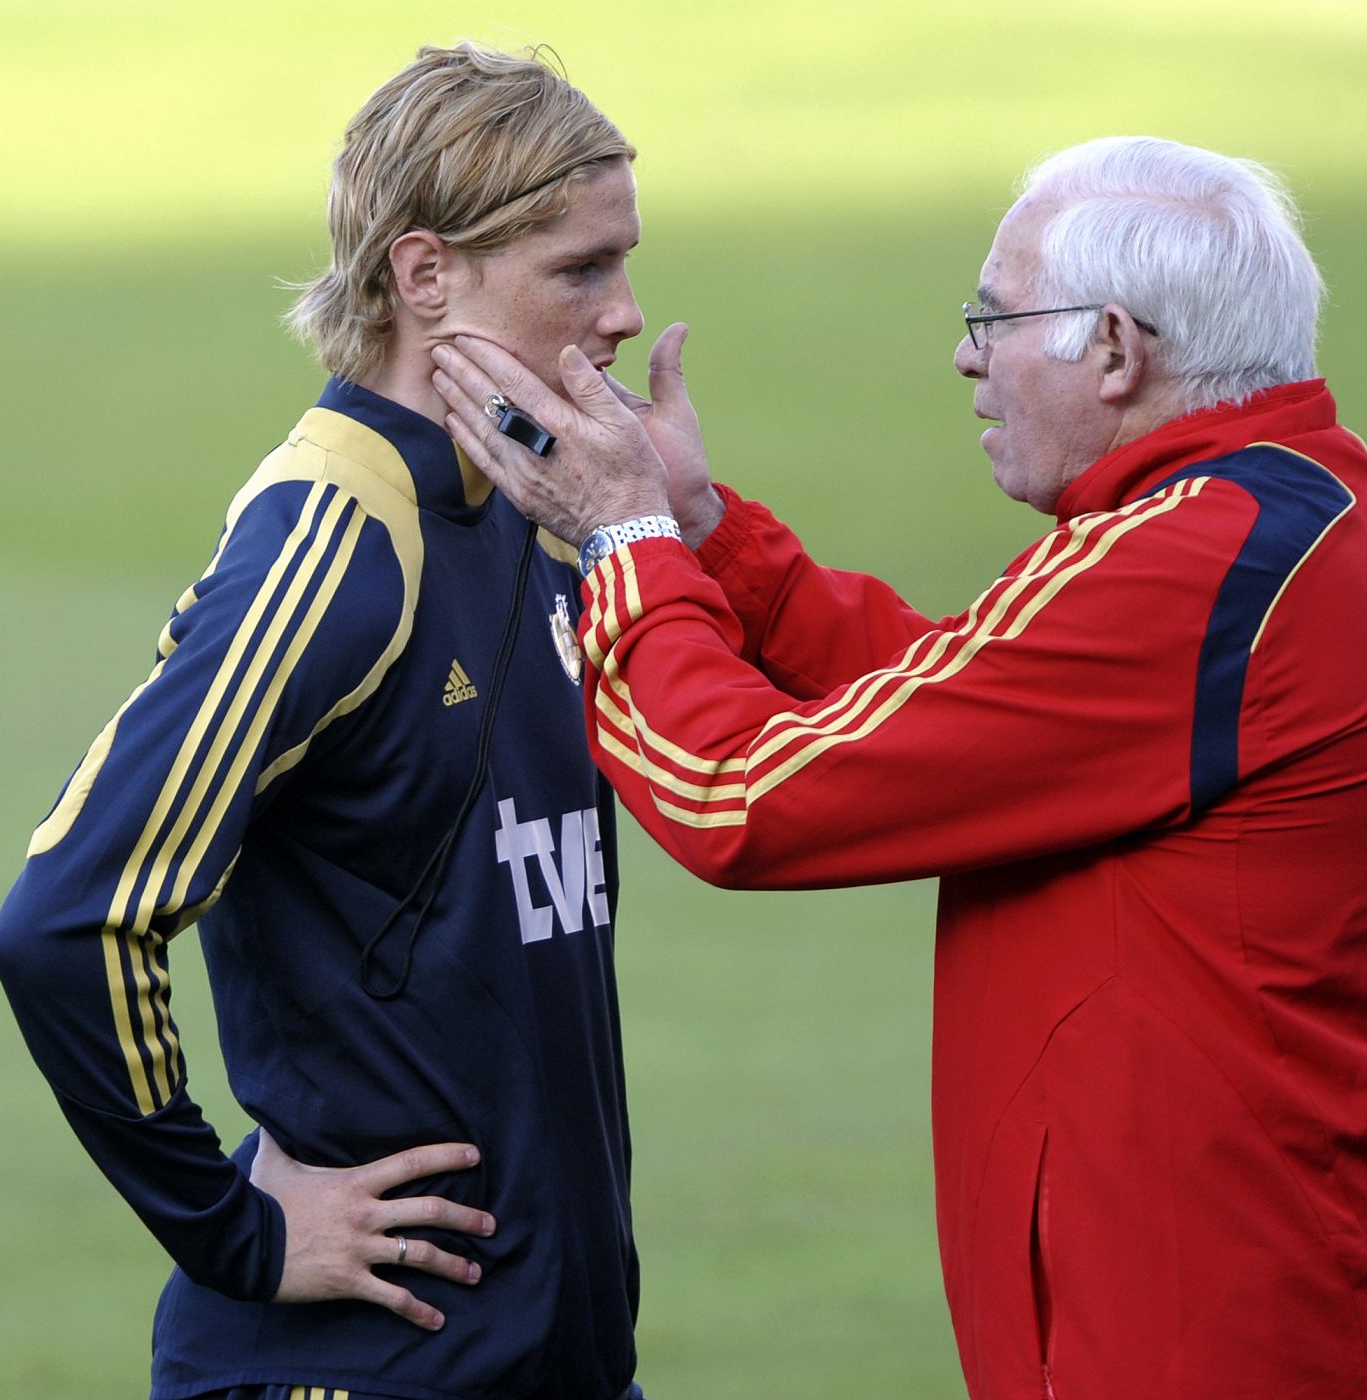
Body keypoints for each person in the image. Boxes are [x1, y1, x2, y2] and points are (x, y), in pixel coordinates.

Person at [431, 136, 1367, 1399]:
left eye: (994, 316)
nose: (966, 357)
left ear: (1113, 348)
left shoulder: (1201, 562)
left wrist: (625, 543)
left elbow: (738, 799)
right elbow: (970, 706)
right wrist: (709, 537)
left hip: (1204, 1339)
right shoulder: (1270, 516)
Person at [0, 43, 650, 1400]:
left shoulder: (535, 508)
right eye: (579, 270)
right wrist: (232, 1230)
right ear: (425, 276)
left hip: (546, 1356)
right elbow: (66, 919)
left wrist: (669, 522)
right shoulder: (335, 543)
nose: (626, 312)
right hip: (369, 1370)